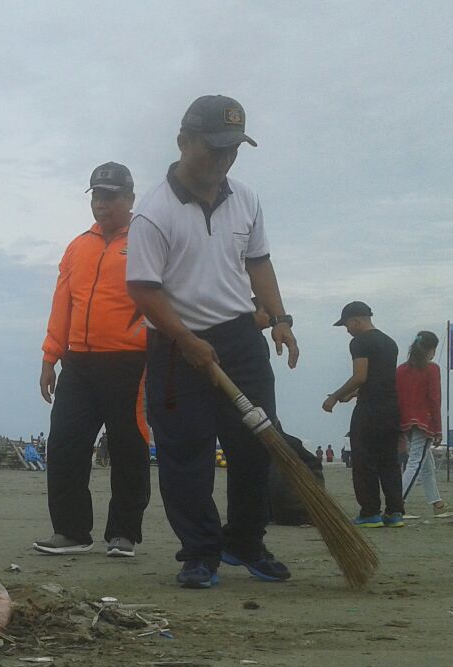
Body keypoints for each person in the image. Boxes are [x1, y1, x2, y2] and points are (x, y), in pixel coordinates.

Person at [126, 95, 299, 588]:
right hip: (175, 347)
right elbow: (142, 288)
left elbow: (258, 262)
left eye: (232, 150)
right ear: (184, 141)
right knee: (186, 453)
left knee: (256, 447)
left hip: (240, 340)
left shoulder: (246, 199)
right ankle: (200, 554)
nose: (223, 160)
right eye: (214, 148)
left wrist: (281, 317)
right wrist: (185, 339)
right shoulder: (153, 213)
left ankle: (245, 542)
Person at [32, 162, 151, 559]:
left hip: (130, 361)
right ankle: (70, 531)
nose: (102, 204)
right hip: (78, 363)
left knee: (129, 446)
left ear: (130, 198)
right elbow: (62, 303)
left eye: (111, 196)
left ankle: (124, 533)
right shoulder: (77, 246)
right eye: (97, 196)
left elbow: (161, 300)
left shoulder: (147, 239)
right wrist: (51, 356)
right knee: (65, 444)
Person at [323, 301, 404, 527]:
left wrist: (334, 397)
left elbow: (360, 375)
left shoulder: (359, 342)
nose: (347, 330)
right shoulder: (390, 342)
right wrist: (352, 394)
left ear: (357, 320)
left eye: (347, 324)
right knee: (389, 461)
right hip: (391, 408)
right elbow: (380, 378)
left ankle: (370, 513)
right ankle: (395, 513)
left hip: (370, 410)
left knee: (364, 460)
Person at [395, 331, 453, 515]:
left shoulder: (401, 369)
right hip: (424, 422)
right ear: (431, 350)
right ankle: (396, 506)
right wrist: (438, 429)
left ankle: (437, 504)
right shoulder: (432, 369)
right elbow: (434, 400)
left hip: (405, 422)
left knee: (427, 465)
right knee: (415, 463)